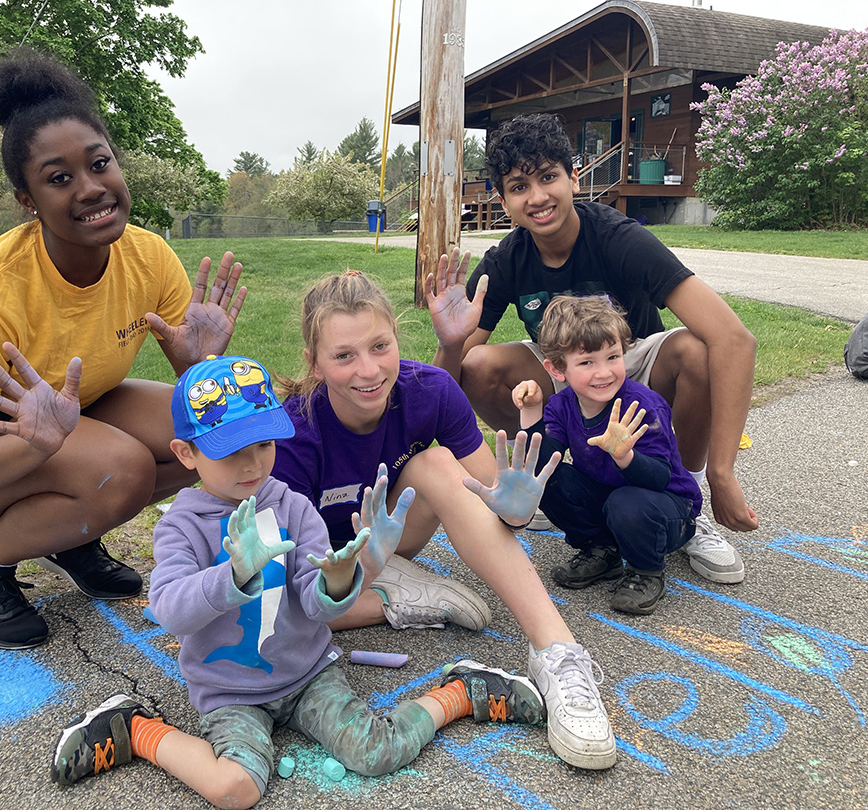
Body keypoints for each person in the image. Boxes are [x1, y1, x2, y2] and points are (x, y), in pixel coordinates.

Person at [49, 354, 546, 808]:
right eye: (230, 451)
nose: (252, 464)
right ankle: (132, 729)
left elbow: (318, 609)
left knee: (376, 752)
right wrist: (234, 575)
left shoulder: (290, 505)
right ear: (185, 453)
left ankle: (462, 692)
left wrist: (344, 576)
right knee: (234, 789)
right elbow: (170, 610)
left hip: (309, 673)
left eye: (264, 444)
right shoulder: (182, 525)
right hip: (230, 692)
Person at [0, 48, 246, 651]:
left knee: (209, 430)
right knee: (123, 472)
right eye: (59, 178)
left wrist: (201, 359)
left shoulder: (148, 255)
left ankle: (73, 530)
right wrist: (33, 444)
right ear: (29, 202)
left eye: (99, 163)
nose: (90, 188)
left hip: (70, 416)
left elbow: (199, 395)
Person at [271, 270, 617, 770]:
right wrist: (357, 583)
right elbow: (284, 582)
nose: (368, 370)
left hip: (390, 540)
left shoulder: (429, 389)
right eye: (343, 355)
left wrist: (515, 511)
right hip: (319, 575)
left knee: (434, 464)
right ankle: (396, 595)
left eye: (379, 346)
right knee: (275, 615)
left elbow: (485, 493)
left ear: (397, 337)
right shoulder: (294, 433)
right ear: (315, 363)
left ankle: (559, 654)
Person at [426, 112, 756, 585]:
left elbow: (734, 339)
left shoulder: (621, 238)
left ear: (573, 177)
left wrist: (723, 472)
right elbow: (447, 381)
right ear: (503, 200)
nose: (537, 197)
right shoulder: (505, 261)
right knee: (477, 363)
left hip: (633, 360)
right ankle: (544, 476)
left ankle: (687, 496)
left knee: (698, 352)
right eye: (519, 186)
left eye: (548, 177)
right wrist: (450, 343)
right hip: (563, 373)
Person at [514, 296, 702, 615]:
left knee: (626, 502)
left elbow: (660, 477)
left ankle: (646, 570)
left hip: (669, 509)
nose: (604, 372)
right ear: (557, 369)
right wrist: (532, 411)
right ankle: (603, 551)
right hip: (614, 500)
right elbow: (544, 465)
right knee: (550, 481)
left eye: (612, 357)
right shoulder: (561, 407)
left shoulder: (643, 406)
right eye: (587, 362)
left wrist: (626, 456)